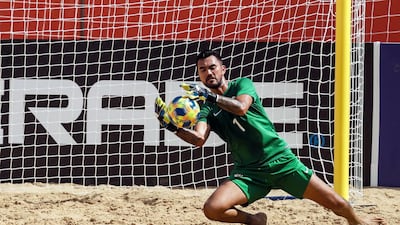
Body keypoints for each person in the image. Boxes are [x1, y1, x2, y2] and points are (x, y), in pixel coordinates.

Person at [155, 49, 385, 225]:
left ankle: (359, 223)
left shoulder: (241, 85)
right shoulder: (205, 108)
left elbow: (241, 107)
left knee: (339, 205)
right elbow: (198, 139)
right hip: (249, 172)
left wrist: (212, 98)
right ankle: (255, 221)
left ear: (223, 69)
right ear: (199, 75)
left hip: (281, 162)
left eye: (212, 67)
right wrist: (172, 127)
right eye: (203, 70)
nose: (209, 72)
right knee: (212, 209)